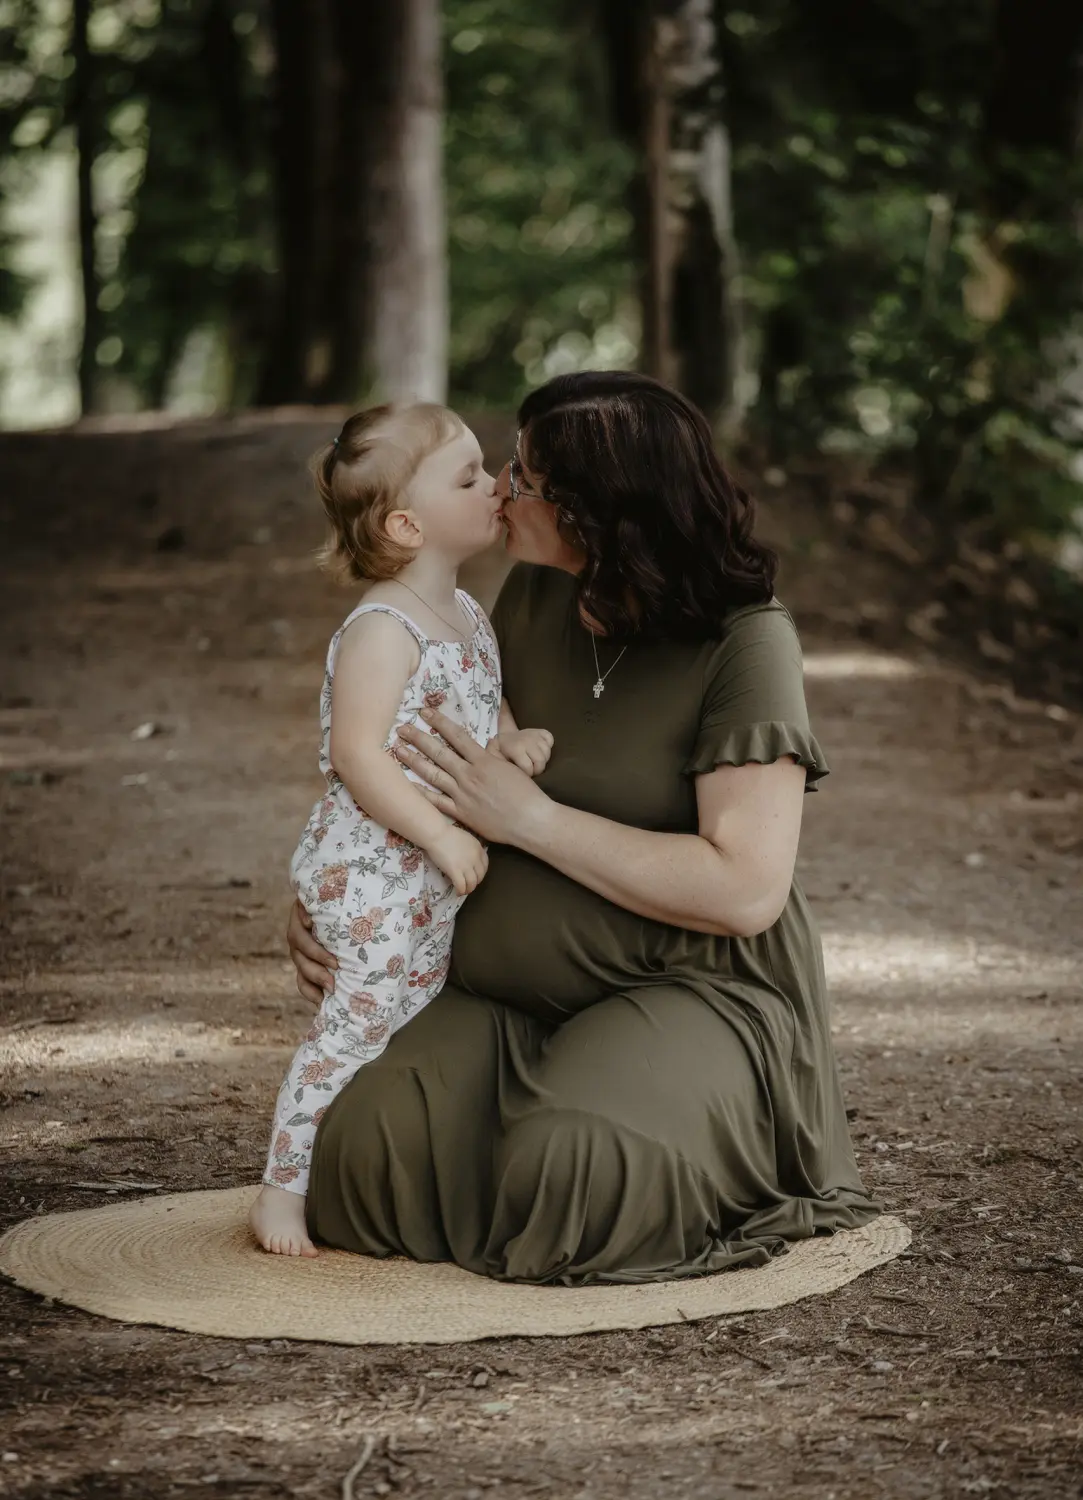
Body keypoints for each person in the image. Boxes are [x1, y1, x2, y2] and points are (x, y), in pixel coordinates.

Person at [285, 371, 880, 1284]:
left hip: (688, 988)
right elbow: (389, 759)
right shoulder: (521, 600)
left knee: (579, 1166)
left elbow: (745, 888)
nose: (502, 492)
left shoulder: (746, 644)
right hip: (490, 993)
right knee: (353, 1156)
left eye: (524, 479)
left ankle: (579, 1149)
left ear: (603, 515)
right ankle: (506, 1169)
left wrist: (532, 820)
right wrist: (334, 905)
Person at [251, 402, 554, 1257]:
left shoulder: (465, 612)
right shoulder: (383, 629)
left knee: (409, 1019)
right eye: (468, 476)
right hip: (375, 867)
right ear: (406, 524)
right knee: (357, 1020)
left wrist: (510, 738)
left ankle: (367, 1165)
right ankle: (284, 1186)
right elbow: (357, 754)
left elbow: (477, 700)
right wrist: (442, 835)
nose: (496, 483)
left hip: (424, 878)